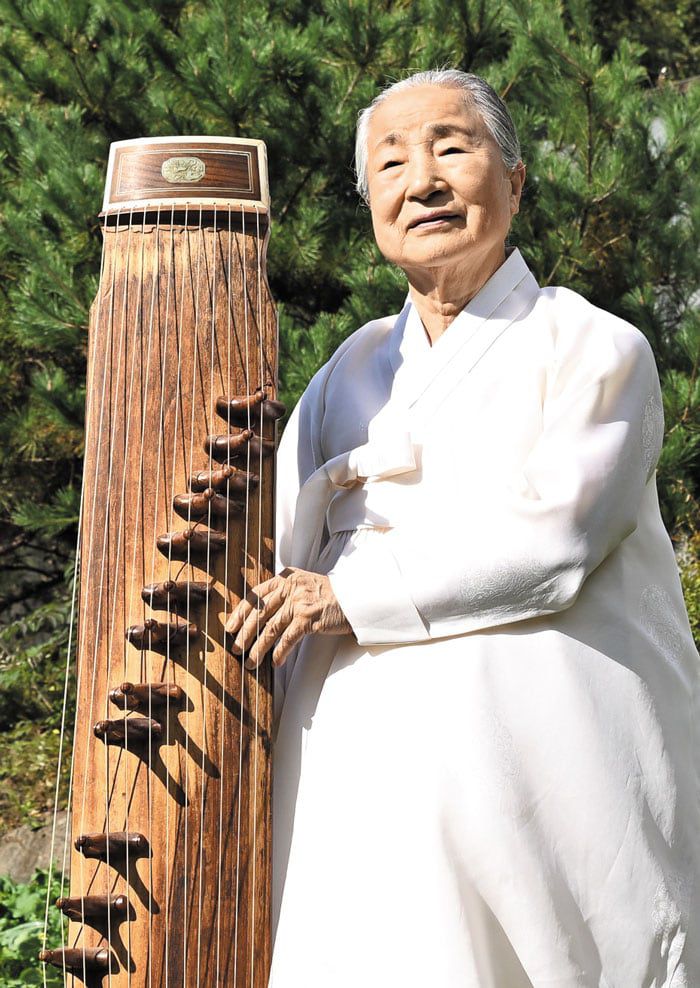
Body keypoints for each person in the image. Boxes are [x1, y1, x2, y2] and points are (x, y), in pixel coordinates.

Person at [227, 69, 699, 987]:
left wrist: (348, 596)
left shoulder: (594, 346)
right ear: (372, 207)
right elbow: (276, 553)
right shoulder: (350, 368)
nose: (424, 181)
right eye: (391, 162)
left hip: (544, 796)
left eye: (451, 146)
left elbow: (556, 543)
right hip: (362, 793)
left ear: (515, 180)